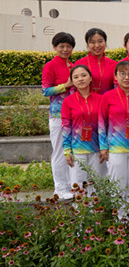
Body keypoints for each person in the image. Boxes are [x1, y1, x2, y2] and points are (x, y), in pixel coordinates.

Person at [99, 61, 129, 217]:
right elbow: (101, 122)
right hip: (115, 148)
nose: (126, 77)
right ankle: (120, 220)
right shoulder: (107, 97)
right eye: (122, 74)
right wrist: (103, 146)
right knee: (118, 184)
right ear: (115, 77)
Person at [42, 32, 76, 199]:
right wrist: (66, 85)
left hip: (75, 114)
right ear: (54, 47)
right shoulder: (50, 66)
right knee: (59, 151)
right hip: (58, 115)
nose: (65, 49)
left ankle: (71, 185)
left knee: (72, 151)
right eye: (61, 46)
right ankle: (60, 188)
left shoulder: (73, 66)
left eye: (68, 46)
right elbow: (46, 91)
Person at [62, 65, 103, 192]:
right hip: (77, 149)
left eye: (84, 75)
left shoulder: (101, 99)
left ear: (90, 78)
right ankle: (80, 206)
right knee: (78, 185)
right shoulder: (68, 101)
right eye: (76, 77)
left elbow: (104, 126)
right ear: (72, 81)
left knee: (97, 184)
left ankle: (96, 205)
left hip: (97, 149)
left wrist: (104, 147)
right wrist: (67, 151)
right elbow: (66, 127)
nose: (80, 79)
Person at [75, 28, 117, 94]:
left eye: (100, 41)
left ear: (105, 42)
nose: (97, 45)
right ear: (87, 44)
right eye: (92, 42)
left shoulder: (114, 64)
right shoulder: (79, 64)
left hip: (108, 99)